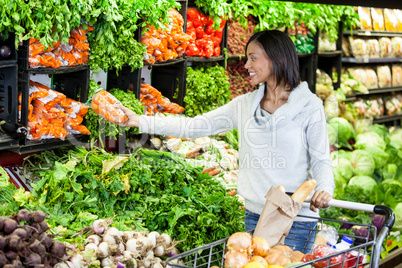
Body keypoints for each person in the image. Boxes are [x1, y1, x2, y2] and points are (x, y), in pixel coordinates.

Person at [118, 30, 334, 253]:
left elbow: (321, 160)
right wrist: (140, 121)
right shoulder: (245, 105)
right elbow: (194, 126)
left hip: (296, 220)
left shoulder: (309, 107)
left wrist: (325, 189)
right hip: (254, 215)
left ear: (276, 58)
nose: (246, 65)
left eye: (253, 57)